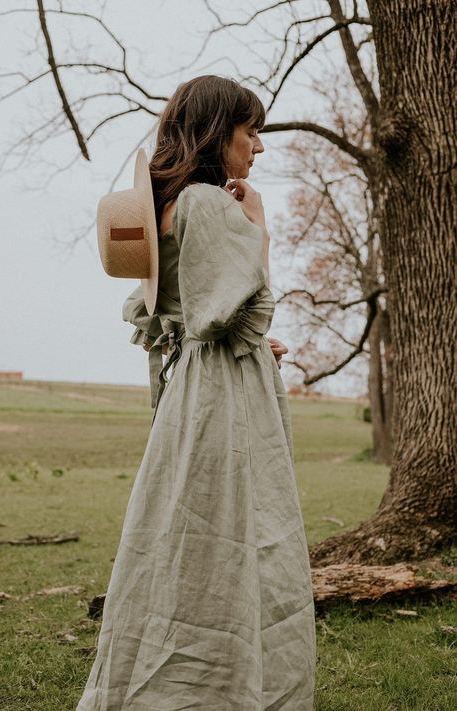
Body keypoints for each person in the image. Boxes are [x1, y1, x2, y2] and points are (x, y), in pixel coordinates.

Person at [76, 75, 316, 711]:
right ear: (219, 133)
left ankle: (190, 674)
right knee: (239, 529)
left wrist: (248, 340)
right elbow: (229, 309)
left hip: (200, 388)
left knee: (188, 528)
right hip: (225, 399)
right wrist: (258, 227)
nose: (257, 147)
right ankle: (220, 686)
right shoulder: (209, 202)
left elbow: (187, 315)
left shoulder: (175, 206)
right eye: (250, 132)